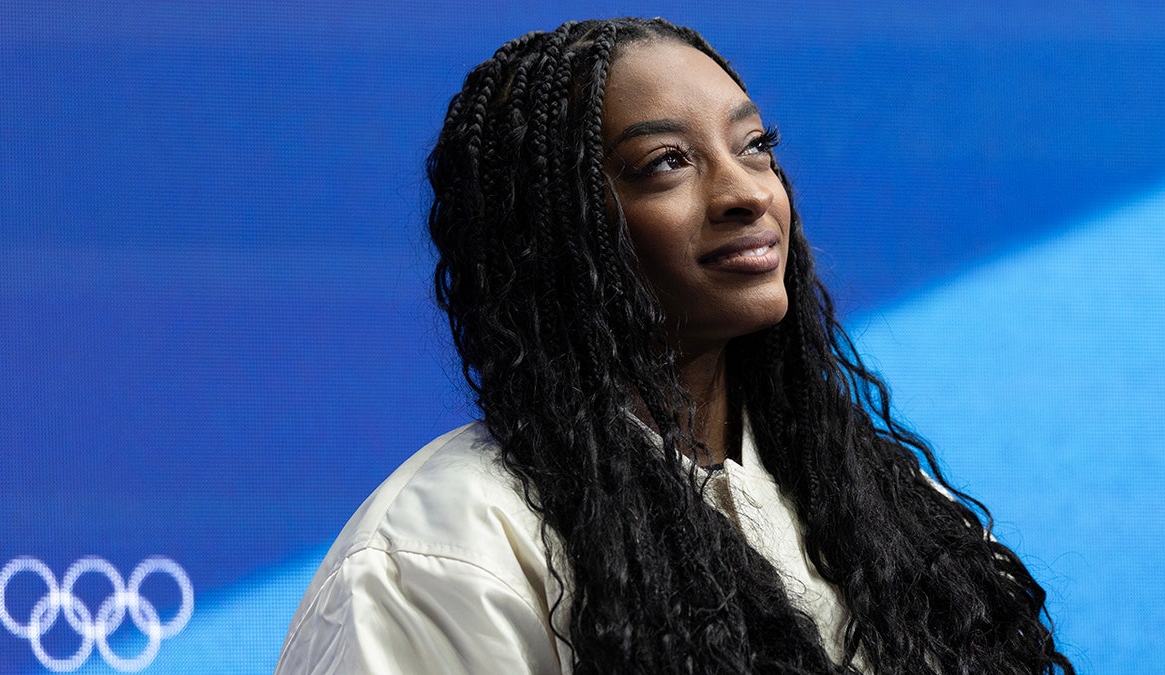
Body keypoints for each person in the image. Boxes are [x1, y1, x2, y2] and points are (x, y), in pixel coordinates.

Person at [276, 18, 1074, 674]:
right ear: (556, 232)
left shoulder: (887, 508)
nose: (745, 192)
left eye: (755, 145)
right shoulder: (442, 557)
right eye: (667, 164)